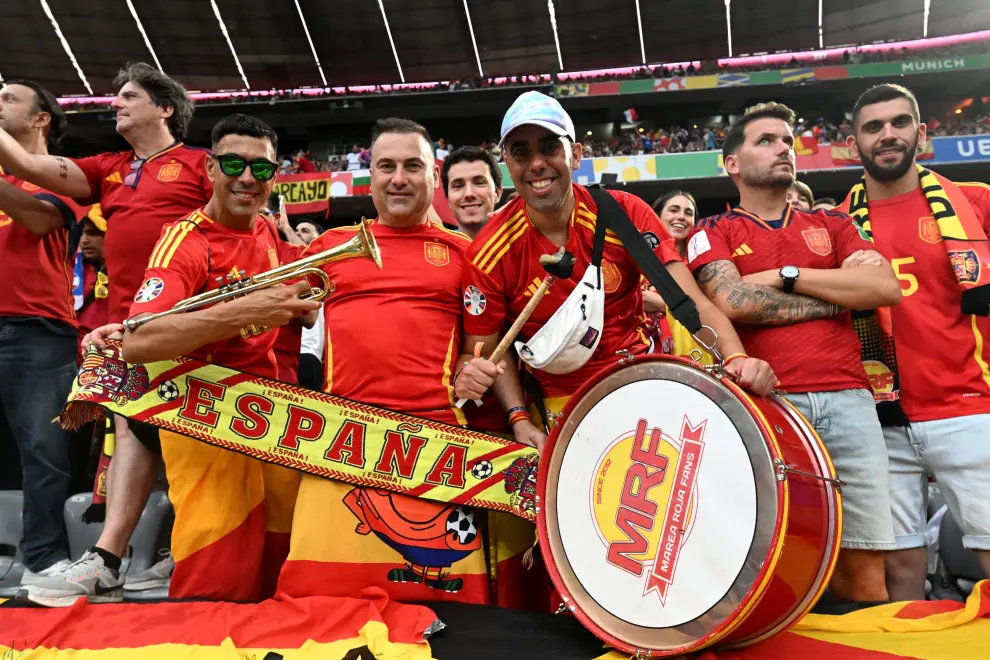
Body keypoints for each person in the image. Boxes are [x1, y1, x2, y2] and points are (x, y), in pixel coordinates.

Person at [25, 115, 319, 607]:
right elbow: (141, 342)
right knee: (217, 586)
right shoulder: (186, 240)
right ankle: (122, 564)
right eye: (233, 164)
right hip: (205, 422)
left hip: (265, 421)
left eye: (261, 169)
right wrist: (244, 311)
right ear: (209, 168)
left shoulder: (268, 231)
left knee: (277, 572)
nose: (247, 178)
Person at [454, 91, 777, 448]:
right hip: (561, 406)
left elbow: (689, 300)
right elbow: (487, 352)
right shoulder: (488, 251)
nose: (536, 164)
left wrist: (737, 356)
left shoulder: (624, 212)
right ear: (507, 164)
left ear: (575, 154)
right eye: (521, 152)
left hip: (640, 383)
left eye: (549, 148)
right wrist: (518, 419)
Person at [0, 62, 212, 603]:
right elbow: (22, 161)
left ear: (165, 108)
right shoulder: (107, 169)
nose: (114, 102)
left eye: (128, 95)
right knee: (133, 439)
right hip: (126, 330)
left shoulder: (198, 165)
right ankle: (114, 560)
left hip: (190, 326)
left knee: (189, 446)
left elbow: (241, 218)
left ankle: (183, 552)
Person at [686, 101, 903, 602]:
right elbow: (734, 302)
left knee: (866, 568)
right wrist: (836, 299)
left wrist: (788, 277)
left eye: (787, 139)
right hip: (768, 405)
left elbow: (884, 288)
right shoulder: (713, 231)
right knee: (776, 565)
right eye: (766, 140)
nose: (784, 147)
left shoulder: (832, 222)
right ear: (732, 163)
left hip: (851, 401)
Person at [276, 118, 494, 604]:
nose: (399, 178)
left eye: (412, 166)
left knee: (451, 618)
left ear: (434, 177)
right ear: (369, 176)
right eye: (387, 167)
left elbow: (481, 345)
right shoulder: (329, 247)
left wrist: (471, 366)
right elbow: (266, 317)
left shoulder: (466, 255)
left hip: (434, 448)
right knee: (318, 610)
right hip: (341, 446)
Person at [840, 83, 990, 600]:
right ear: (852, 142)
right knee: (899, 569)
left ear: (921, 133)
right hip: (882, 422)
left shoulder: (976, 203)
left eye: (900, 123)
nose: (888, 135)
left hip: (969, 406)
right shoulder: (836, 226)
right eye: (873, 127)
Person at [0, 79, 84, 586]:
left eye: (9, 99)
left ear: (40, 119)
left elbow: (34, 221)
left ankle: (43, 559)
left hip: (38, 329)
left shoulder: (64, 179)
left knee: (45, 454)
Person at [647, 191, 712, 364]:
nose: (681, 217)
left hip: (697, 361)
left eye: (688, 213)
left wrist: (662, 304)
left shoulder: (704, 264)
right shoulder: (638, 261)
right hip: (646, 359)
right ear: (656, 217)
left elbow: (712, 312)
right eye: (674, 210)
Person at [441, 145, 503, 241]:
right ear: (448, 199)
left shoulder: (521, 249)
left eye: (479, 183)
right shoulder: (439, 251)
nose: (469, 194)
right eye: (458, 186)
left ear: (498, 193)